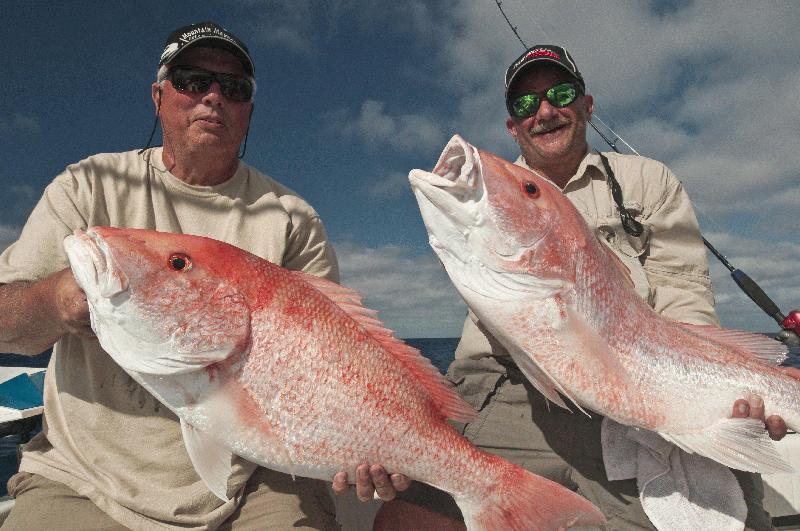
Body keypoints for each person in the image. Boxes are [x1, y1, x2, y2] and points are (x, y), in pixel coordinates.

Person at [368, 45, 789, 530]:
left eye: (559, 94)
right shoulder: (490, 188)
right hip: (505, 389)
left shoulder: (647, 181)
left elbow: (684, 294)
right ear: (513, 126)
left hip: (633, 387)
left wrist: (714, 396)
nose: (543, 111)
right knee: (405, 521)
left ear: (586, 105)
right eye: (525, 105)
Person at [0, 21, 385, 530]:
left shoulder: (292, 217)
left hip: (255, 475)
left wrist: (364, 441)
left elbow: (340, 352)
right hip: (85, 478)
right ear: (158, 97)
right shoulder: (87, 185)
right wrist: (57, 300)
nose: (213, 98)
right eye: (191, 80)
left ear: (248, 112)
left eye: (234, 88)